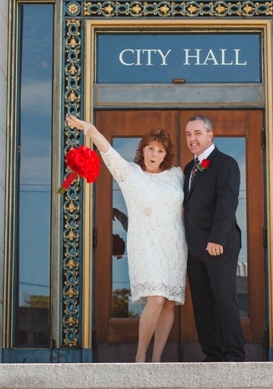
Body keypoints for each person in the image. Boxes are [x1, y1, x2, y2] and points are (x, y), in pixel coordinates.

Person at [66, 114, 187, 363]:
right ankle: (140, 357)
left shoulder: (176, 175)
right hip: (146, 245)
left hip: (174, 245)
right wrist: (90, 129)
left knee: (168, 303)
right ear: (142, 150)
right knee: (155, 298)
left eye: (160, 151)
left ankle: (156, 360)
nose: (154, 154)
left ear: (166, 155)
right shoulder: (129, 174)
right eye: (150, 148)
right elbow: (108, 151)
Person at [183, 115, 246, 362]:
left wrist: (217, 239)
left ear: (210, 135)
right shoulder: (189, 168)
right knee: (202, 303)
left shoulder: (226, 164)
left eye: (197, 133)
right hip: (195, 248)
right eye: (188, 134)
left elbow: (227, 203)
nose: (192, 139)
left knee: (224, 299)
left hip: (220, 244)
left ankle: (234, 354)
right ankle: (213, 353)